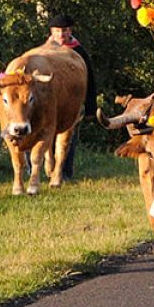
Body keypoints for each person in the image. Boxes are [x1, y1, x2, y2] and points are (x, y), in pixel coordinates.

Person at [46, 14, 95, 183]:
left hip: (70, 104)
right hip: (49, 104)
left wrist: (90, 107)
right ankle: (38, 170)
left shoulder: (77, 51)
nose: (61, 35)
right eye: (58, 31)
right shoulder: (43, 52)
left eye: (64, 30)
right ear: (51, 32)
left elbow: (90, 79)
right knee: (43, 135)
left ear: (70, 31)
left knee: (68, 138)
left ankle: (65, 173)